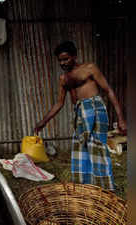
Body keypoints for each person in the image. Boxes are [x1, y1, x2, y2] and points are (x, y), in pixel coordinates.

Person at [34, 41, 127, 190]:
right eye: (60, 60)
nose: (63, 63)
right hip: (79, 113)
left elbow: (108, 90)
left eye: (66, 59)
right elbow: (59, 103)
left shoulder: (89, 68)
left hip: (95, 109)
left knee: (97, 148)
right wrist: (43, 121)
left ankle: (106, 189)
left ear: (74, 56)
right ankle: (86, 188)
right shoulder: (64, 79)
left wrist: (121, 118)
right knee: (80, 150)